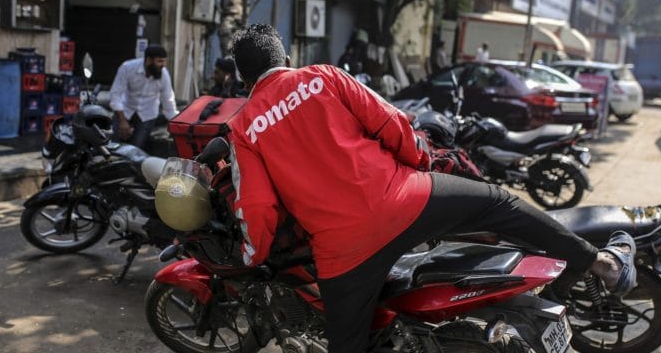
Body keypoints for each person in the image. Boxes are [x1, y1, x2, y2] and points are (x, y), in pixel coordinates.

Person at [227, 24, 636, 353]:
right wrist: (421, 163)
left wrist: (250, 257)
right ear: (285, 58)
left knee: (346, 343)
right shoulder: (323, 77)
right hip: (409, 199)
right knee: (502, 203)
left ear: (244, 79)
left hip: (344, 251)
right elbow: (394, 125)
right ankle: (603, 265)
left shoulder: (243, 128)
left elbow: (257, 207)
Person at [109, 44, 179, 149]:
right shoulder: (127, 68)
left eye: (164, 61)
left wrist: (176, 126)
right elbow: (115, 95)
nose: (163, 65)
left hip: (147, 114)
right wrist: (122, 121)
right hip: (126, 110)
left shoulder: (164, 75)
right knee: (115, 145)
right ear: (149, 60)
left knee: (136, 148)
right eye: (159, 61)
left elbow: (168, 101)